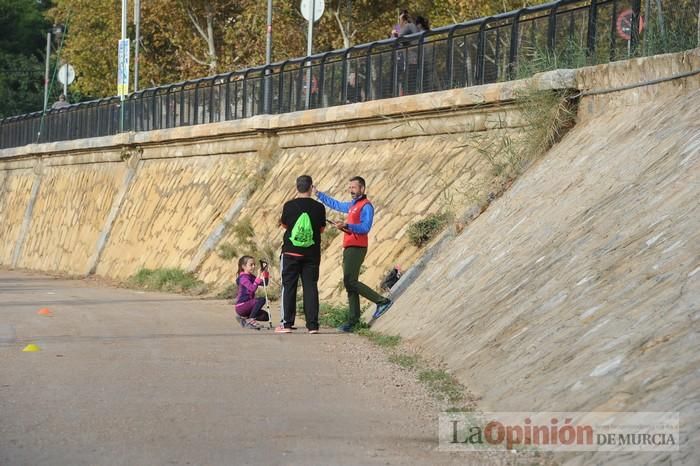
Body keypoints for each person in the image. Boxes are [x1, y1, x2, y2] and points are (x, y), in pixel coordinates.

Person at [313, 176, 392, 332]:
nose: (350, 190)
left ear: (362, 188)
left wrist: (347, 225)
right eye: (349, 188)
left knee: (350, 281)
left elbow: (365, 228)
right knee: (350, 283)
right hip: (349, 246)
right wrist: (318, 194)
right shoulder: (352, 205)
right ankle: (353, 320)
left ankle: (382, 301)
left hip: (357, 247)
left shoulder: (366, 206)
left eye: (353, 188)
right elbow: (336, 204)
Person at [277, 175, 327, 334]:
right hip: (311, 253)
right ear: (311, 187)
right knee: (310, 287)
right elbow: (321, 229)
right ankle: (312, 326)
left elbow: (284, 224)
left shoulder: (289, 205)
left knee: (289, 286)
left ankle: (286, 324)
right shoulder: (319, 208)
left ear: (297, 187)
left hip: (291, 252)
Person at [234, 255, 270, 330]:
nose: (253, 266)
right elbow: (252, 289)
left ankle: (244, 318)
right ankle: (251, 320)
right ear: (244, 266)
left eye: (254, 264)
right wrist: (258, 276)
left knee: (266, 316)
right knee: (261, 300)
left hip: (249, 305)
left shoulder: (251, 276)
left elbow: (264, 283)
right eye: (251, 265)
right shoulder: (243, 278)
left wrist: (265, 271)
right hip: (242, 306)